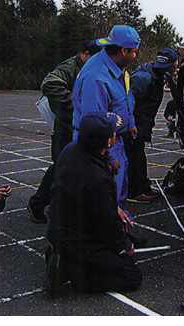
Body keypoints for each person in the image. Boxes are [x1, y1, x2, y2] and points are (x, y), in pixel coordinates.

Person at [46, 111, 143, 298]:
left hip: (61, 228)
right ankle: (71, 271)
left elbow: (82, 194)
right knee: (132, 275)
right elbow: (105, 224)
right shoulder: (97, 179)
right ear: (108, 140)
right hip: (79, 240)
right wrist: (123, 244)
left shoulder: (71, 150)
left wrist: (113, 207)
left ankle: (60, 253)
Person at [27, 41, 101, 223]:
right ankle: (37, 203)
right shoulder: (70, 67)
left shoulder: (86, 67)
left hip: (75, 127)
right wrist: (75, 108)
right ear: (86, 54)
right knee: (62, 168)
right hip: (66, 129)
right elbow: (50, 84)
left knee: (72, 168)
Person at [72, 25, 140, 214]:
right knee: (106, 196)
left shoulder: (116, 67)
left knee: (118, 191)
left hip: (113, 139)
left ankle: (120, 231)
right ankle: (113, 237)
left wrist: (129, 124)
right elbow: (94, 126)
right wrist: (109, 157)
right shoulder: (97, 78)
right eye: (134, 52)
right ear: (123, 51)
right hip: (101, 147)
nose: (136, 56)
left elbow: (123, 98)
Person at [125, 48, 178, 203]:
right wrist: (130, 124)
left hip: (142, 123)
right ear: (166, 65)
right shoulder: (143, 78)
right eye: (174, 66)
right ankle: (133, 192)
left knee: (140, 157)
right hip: (133, 125)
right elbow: (128, 103)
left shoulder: (159, 75)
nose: (175, 69)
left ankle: (143, 186)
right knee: (133, 158)